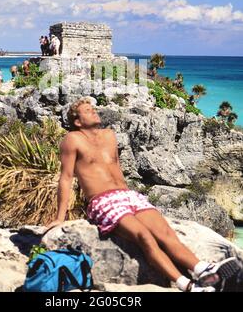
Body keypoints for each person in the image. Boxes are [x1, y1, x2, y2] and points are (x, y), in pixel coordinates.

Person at [46, 97, 239, 292]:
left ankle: (204, 270)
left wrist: (129, 194)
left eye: (93, 108)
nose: (94, 111)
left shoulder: (109, 135)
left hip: (128, 196)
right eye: (88, 110)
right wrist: (60, 218)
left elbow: (115, 168)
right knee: (145, 236)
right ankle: (189, 286)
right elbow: (66, 178)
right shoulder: (72, 140)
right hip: (102, 201)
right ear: (77, 121)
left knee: (165, 233)